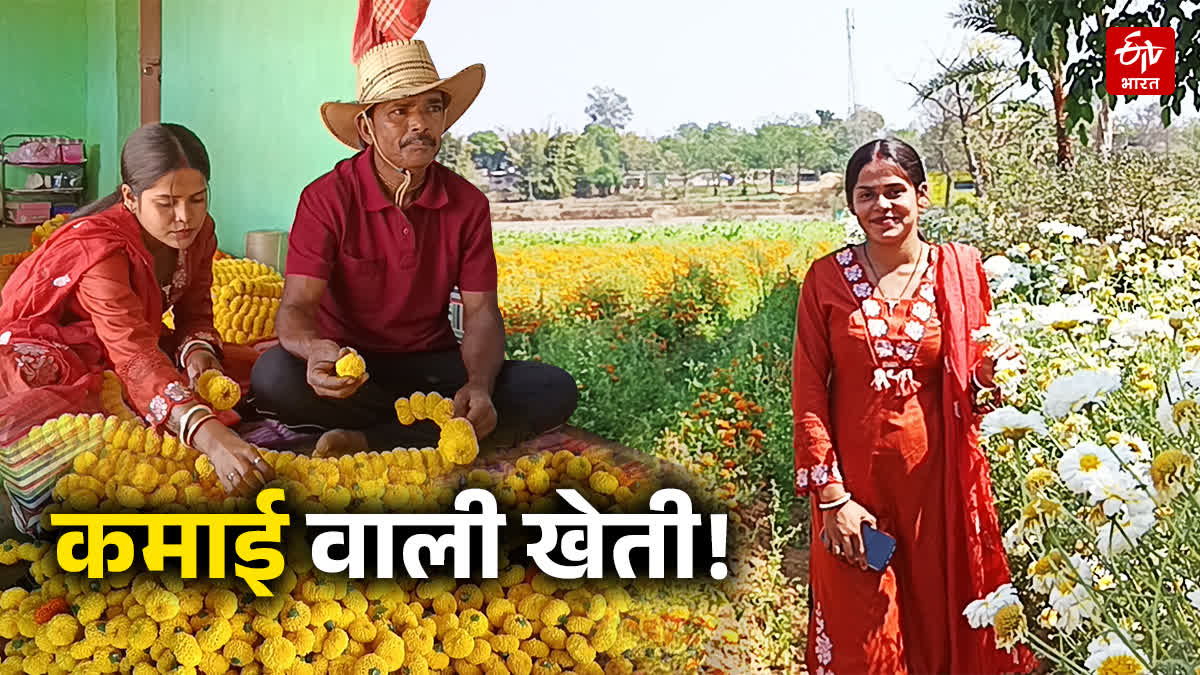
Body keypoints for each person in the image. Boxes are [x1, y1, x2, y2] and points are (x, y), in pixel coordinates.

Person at [249, 39, 577, 456]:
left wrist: (478, 385)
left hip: (433, 370)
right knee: (273, 376)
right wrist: (316, 351)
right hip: (352, 372)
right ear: (367, 128)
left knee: (552, 389)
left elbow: (481, 313)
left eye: (431, 108)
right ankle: (423, 433)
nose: (419, 124)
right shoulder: (326, 198)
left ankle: (370, 440)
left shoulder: (468, 204)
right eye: (399, 112)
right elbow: (296, 307)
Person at [791, 138, 1036, 674]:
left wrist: (997, 372)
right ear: (852, 206)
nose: (882, 206)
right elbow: (808, 392)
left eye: (895, 191)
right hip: (859, 499)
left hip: (938, 497)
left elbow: (975, 385)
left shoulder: (961, 272)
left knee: (939, 617)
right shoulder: (826, 281)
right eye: (866, 195)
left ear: (922, 197)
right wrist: (832, 498)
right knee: (866, 626)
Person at [0, 123, 275, 519]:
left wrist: (198, 354)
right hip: (63, 344)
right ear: (130, 197)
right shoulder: (101, 250)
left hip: (132, 336)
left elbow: (195, 312)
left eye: (197, 199)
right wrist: (210, 439)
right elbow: (133, 354)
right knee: (72, 417)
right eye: (167, 203)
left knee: (249, 371)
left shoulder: (201, 232)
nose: (185, 217)